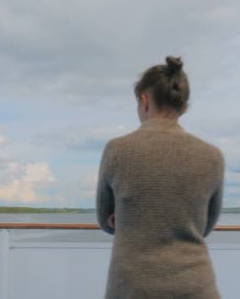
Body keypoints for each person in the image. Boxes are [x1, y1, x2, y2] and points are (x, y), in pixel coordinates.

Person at [96, 56, 225, 298]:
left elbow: (105, 220)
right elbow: (205, 226)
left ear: (144, 101)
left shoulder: (117, 150)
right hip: (196, 287)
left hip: (132, 287)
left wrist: (127, 217)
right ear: (183, 107)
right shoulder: (212, 156)